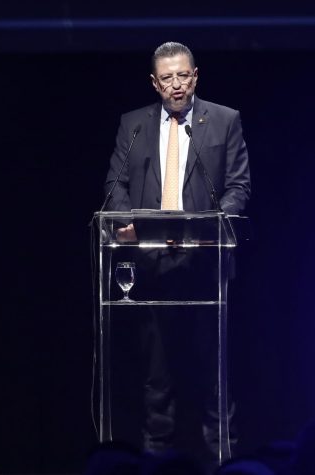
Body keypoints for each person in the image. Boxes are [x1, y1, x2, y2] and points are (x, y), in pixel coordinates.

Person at [102, 42, 251, 462]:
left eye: (183, 76)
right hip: (150, 265)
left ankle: (223, 462)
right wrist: (127, 223)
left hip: (205, 263)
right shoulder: (133, 124)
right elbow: (115, 186)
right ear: (155, 83)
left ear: (196, 76)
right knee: (157, 377)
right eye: (167, 78)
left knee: (213, 375)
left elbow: (238, 187)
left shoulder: (224, 120)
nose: (177, 85)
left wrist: (214, 224)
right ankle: (155, 461)